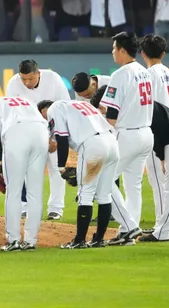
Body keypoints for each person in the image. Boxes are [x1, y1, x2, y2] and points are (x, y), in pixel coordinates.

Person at [91, 86, 169, 243]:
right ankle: (168, 229)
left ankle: (163, 231)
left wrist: (161, 155)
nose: (102, 112)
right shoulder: (133, 104)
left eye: (101, 108)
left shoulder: (132, 108)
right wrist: (162, 156)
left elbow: (154, 128)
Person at [37, 99, 118, 249]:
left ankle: (79, 240)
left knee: (85, 194)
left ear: (44, 109)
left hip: (93, 145)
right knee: (104, 195)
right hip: (112, 143)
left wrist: (61, 167)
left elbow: (62, 139)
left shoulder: (55, 108)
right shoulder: (79, 104)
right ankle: (98, 239)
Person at [99, 31, 154, 245]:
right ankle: (126, 232)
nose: (113, 52)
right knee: (133, 185)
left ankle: (130, 226)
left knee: (103, 180)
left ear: (122, 50)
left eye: (114, 48)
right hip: (146, 133)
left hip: (128, 135)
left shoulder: (120, 74)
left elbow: (112, 114)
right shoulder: (144, 71)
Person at [0, 96, 49, 251]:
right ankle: (31, 240)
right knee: (35, 191)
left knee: (14, 191)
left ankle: (13, 240)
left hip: (16, 133)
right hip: (41, 133)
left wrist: (0, 158)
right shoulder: (26, 100)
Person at [5, 59, 69, 220]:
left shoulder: (53, 79)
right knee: (28, 170)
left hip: (54, 129)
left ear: (38, 73)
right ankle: (26, 207)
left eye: (31, 78)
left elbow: (65, 108)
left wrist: (55, 138)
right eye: (23, 79)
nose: (27, 83)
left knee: (56, 169)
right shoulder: (13, 84)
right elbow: (13, 114)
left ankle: (55, 208)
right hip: (28, 131)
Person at [140, 34, 169, 232]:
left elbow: (149, 109)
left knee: (158, 181)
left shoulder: (148, 75)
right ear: (163, 53)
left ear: (142, 53)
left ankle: (163, 225)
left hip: (156, 130)